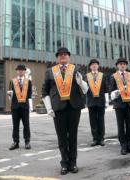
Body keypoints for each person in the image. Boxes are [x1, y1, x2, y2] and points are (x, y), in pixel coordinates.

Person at [42, 47, 89, 175]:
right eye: (60, 55)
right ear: (57, 58)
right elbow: (45, 91)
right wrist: (49, 108)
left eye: (65, 54)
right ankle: (64, 163)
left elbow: (85, 89)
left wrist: (80, 83)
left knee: (73, 137)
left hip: (74, 107)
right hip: (58, 109)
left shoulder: (77, 69)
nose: (63, 56)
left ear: (69, 57)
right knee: (61, 137)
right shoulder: (50, 71)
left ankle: (73, 163)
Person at [110, 58, 130, 155]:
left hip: (129, 104)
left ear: (126, 66)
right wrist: (116, 92)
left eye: (124, 64)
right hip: (119, 104)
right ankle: (123, 145)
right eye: (120, 64)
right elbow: (111, 92)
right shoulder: (113, 76)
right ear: (117, 66)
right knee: (121, 126)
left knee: (129, 126)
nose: (122, 65)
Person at [7, 64, 33, 150]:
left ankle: (27, 142)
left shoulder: (28, 81)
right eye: (19, 70)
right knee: (15, 126)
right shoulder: (12, 81)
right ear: (17, 71)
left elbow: (29, 95)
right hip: (15, 107)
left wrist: (31, 107)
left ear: (24, 71)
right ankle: (15, 142)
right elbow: (9, 94)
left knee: (26, 125)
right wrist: (10, 96)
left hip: (25, 107)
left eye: (22, 70)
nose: (20, 71)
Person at [84, 59, 109, 147]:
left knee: (101, 120)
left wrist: (107, 101)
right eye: (92, 64)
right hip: (91, 102)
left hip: (101, 101)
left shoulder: (103, 76)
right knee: (93, 121)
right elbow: (84, 89)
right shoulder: (86, 76)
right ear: (90, 67)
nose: (94, 66)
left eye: (96, 64)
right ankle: (95, 139)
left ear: (98, 66)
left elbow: (106, 89)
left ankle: (101, 138)